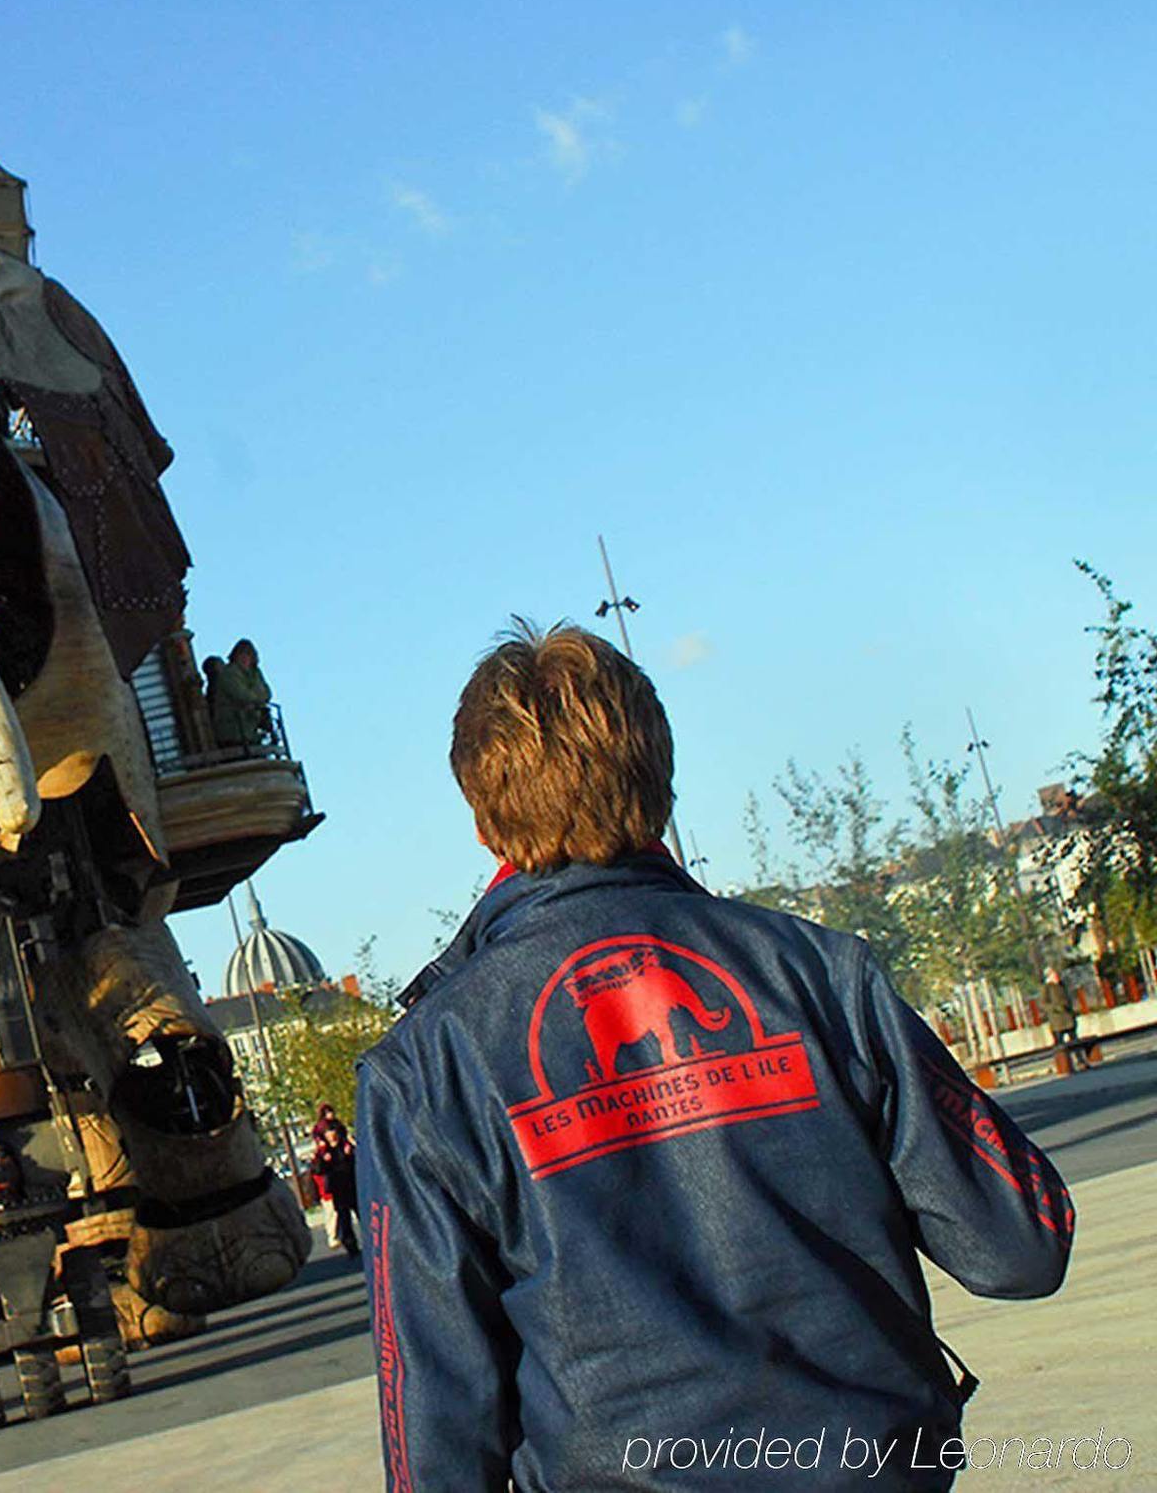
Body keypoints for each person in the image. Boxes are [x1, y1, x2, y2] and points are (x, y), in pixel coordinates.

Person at [356, 620, 1074, 1492]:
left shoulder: (425, 1069)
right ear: (661, 782)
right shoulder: (817, 974)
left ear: (482, 822)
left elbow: (436, 1423)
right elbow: (1021, 1246)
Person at [205, 639, 273, 749]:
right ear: (235, 656)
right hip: (233, 729)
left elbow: (267, 693)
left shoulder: (255, 673)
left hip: (251, 728)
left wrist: (256, 699)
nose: (245, 658)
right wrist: (257, 699)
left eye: (248, 654)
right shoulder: (229, 673)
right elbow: (241, 694)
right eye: (242, 654)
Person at [310, 1121, 360, 1257]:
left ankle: (372, 1241)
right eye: (328, 1132)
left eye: (333, 1131)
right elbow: (317, 1170)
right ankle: (351, 1247)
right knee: (344, 1220)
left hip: (352, 1185)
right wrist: (321, 1159)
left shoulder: (345, 1146)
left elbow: (358, 1160)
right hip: (338, 1188)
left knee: (362, 1214)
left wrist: (351, 1151)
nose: (331, 1135)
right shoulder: (324, 1152)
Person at [1041, 967, 1087, 1072]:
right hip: (1057, 1021)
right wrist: (1056, 1008)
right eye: (1054, 974)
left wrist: (1072, 1010)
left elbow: (1068, 999)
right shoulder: (1047, 988)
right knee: (1060, 1045)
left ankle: (1081, 1061)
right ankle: (1065, 1066)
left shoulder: (1062, 985)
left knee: (1075, 1042)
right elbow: (1043, 1004)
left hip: (1068, 1019)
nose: (1056, 976)